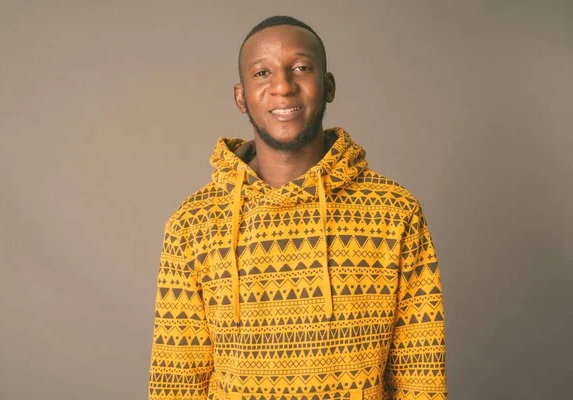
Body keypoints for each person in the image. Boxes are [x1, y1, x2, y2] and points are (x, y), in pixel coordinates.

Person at [148, 15, 448, 400]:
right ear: (241, 97)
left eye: (301, 68)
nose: (283, 87)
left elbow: (420, 374)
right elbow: (177, 380)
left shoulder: (395, 212)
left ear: (328, 86)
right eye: (262, 73)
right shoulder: (193, 223)